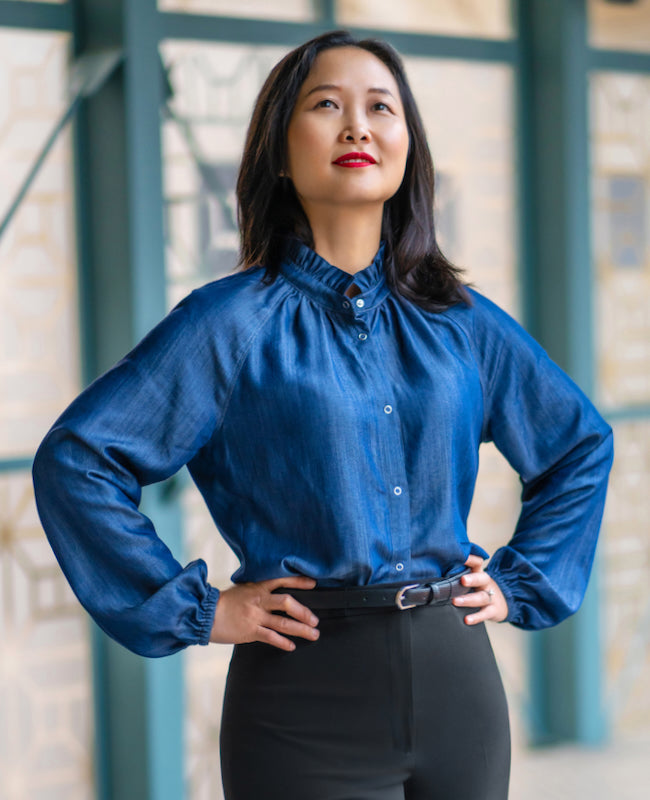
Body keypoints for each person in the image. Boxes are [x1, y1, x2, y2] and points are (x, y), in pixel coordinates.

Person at [32, 29, 613, 800]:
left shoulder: (462, 321)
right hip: (302, 697)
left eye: (382, 107)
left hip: (458, 683)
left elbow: (578, 446)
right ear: (280, 148)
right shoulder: (226, 324)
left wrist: (522, 581)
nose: (358, 127)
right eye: (326, 105)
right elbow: (79, 460)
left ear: (409, 144)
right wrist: (198, 609)